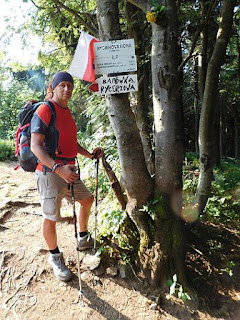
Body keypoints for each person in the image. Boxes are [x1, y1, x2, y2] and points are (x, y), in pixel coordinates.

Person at [30, 71, 103, 282]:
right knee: (51, 217)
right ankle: (55, 257)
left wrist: (89, 154)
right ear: (53, 88)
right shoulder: (45, 109)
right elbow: (35, 146)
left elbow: (71, 143)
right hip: (49, 173)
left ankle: (82, 238)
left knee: (87, 199)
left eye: (70, 85)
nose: (67, 89)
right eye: (62, 85)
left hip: (69, 171)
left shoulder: (67, 112)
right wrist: (57, 168)